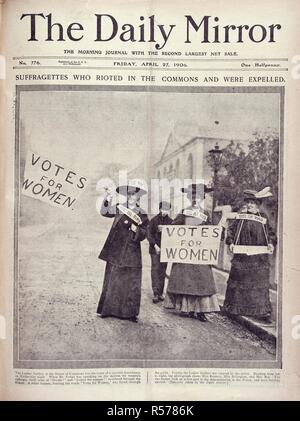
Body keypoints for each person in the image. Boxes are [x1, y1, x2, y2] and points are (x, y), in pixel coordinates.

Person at [164, 183, 220, 322]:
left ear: (202, 198)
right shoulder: (184, 212)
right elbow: (174, 227)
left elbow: (211, 231)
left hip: (200, 255)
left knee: (201, 281)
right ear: (190, 199)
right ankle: (187, 308)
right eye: (193, 197)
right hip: (187, 253)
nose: (195, 199)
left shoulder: (206, 214)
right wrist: (166, 230)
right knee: (186, 280)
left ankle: (201, 311)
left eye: (198, 197)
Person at [96, 181, 149, 323]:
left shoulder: (142, 214)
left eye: (135, 195)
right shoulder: (119, 208)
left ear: (138, 197)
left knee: (131, 281)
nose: (132, 197)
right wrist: (107, 197)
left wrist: (136, 230)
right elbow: (104, 212)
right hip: (116, 249)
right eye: (130, 194)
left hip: (132, 251)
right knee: (113, 278)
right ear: (127, 196)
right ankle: (108, 310)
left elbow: (145, 232)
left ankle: (130, 313)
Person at [223, 187, 277, 323]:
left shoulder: (263, 218)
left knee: (257, 284)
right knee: (240, 283)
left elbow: (271, 233)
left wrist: (271, 243)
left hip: (259, 258)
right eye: (248, 202)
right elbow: (231, 231)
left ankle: (261, 312)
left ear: (258, 204)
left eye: (253, 203)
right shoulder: (241, 217)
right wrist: (231, 242)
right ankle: (235, 310)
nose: (250, 205)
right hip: (242, 257)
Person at [147, 201, 173, 303]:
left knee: (163, 271)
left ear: (169, 210)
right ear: (159, 209)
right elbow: (149, 235)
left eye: (166, 210)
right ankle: (155, 293)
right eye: (163, 209)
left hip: (165, 250)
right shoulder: (154, 220)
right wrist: (155, 245)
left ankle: (161, 293)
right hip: (155, 249)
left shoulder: (171, 222)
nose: (164, 211)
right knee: (155, 270)